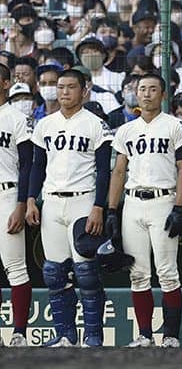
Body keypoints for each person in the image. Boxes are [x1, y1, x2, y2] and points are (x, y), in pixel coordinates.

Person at [26, 69, 113, 347]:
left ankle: (93, 336)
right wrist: (30, 199)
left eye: (71, 87)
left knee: (86, 272)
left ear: (84, 90)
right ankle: (65, 334)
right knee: (53, 272)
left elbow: (103, 171)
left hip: (83, 200)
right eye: (60, 87)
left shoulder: (95, 124)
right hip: (51, 201)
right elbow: (38, 166)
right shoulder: (44, 125)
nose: (64, 92)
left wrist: (99, 206)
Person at [106, 73, 182, 348]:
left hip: (163, 200)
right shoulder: (125, 130)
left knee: (167, 271)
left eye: (152, 89)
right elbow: (119, 171)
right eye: (142, 89)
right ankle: (144, 335)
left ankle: (170, 336)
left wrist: (179, 207)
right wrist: (111, 210)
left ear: (163, 94)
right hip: (132, 202)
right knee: (138, 272)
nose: (146, 94)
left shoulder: (175, 125)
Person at [0, 64, 33, 347]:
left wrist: (21, 204)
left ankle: (19, 333)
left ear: (6, 83)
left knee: (16, 267)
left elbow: (27, 165)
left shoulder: (16, 118)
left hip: (7, 195)